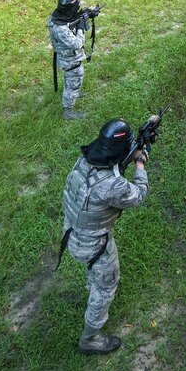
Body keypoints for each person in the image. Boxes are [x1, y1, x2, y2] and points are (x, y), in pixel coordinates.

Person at [59, 118, 151, 355]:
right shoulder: (113, 185)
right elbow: (138, 195)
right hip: (93, 246)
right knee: (106, 285)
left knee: (97, 278)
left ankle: (93, 282)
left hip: (70, 233)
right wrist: (140, 162)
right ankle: (89, 339)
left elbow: (111, 169)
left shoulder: (85, 159)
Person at [48, 0, 87, 120]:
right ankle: (68, 112)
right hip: (70, 59)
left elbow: (69, 21)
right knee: (75, 79)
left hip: (65, 57)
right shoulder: (61, 29)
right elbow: (77, 43)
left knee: (71, 79)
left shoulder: (57, 17)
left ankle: (73, 93)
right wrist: (81, 28)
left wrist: (81, 16)